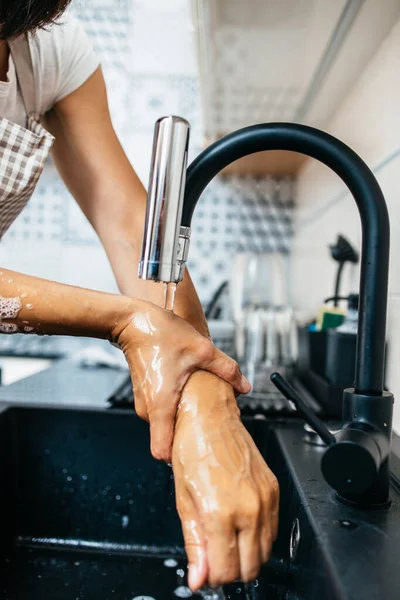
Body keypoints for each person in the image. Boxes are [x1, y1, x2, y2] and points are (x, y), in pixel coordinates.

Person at [0, 0, 279, 590]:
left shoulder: (48, 47)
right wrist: (129, 324)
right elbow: (139, 312)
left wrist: (207, 402)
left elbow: (131, 225)